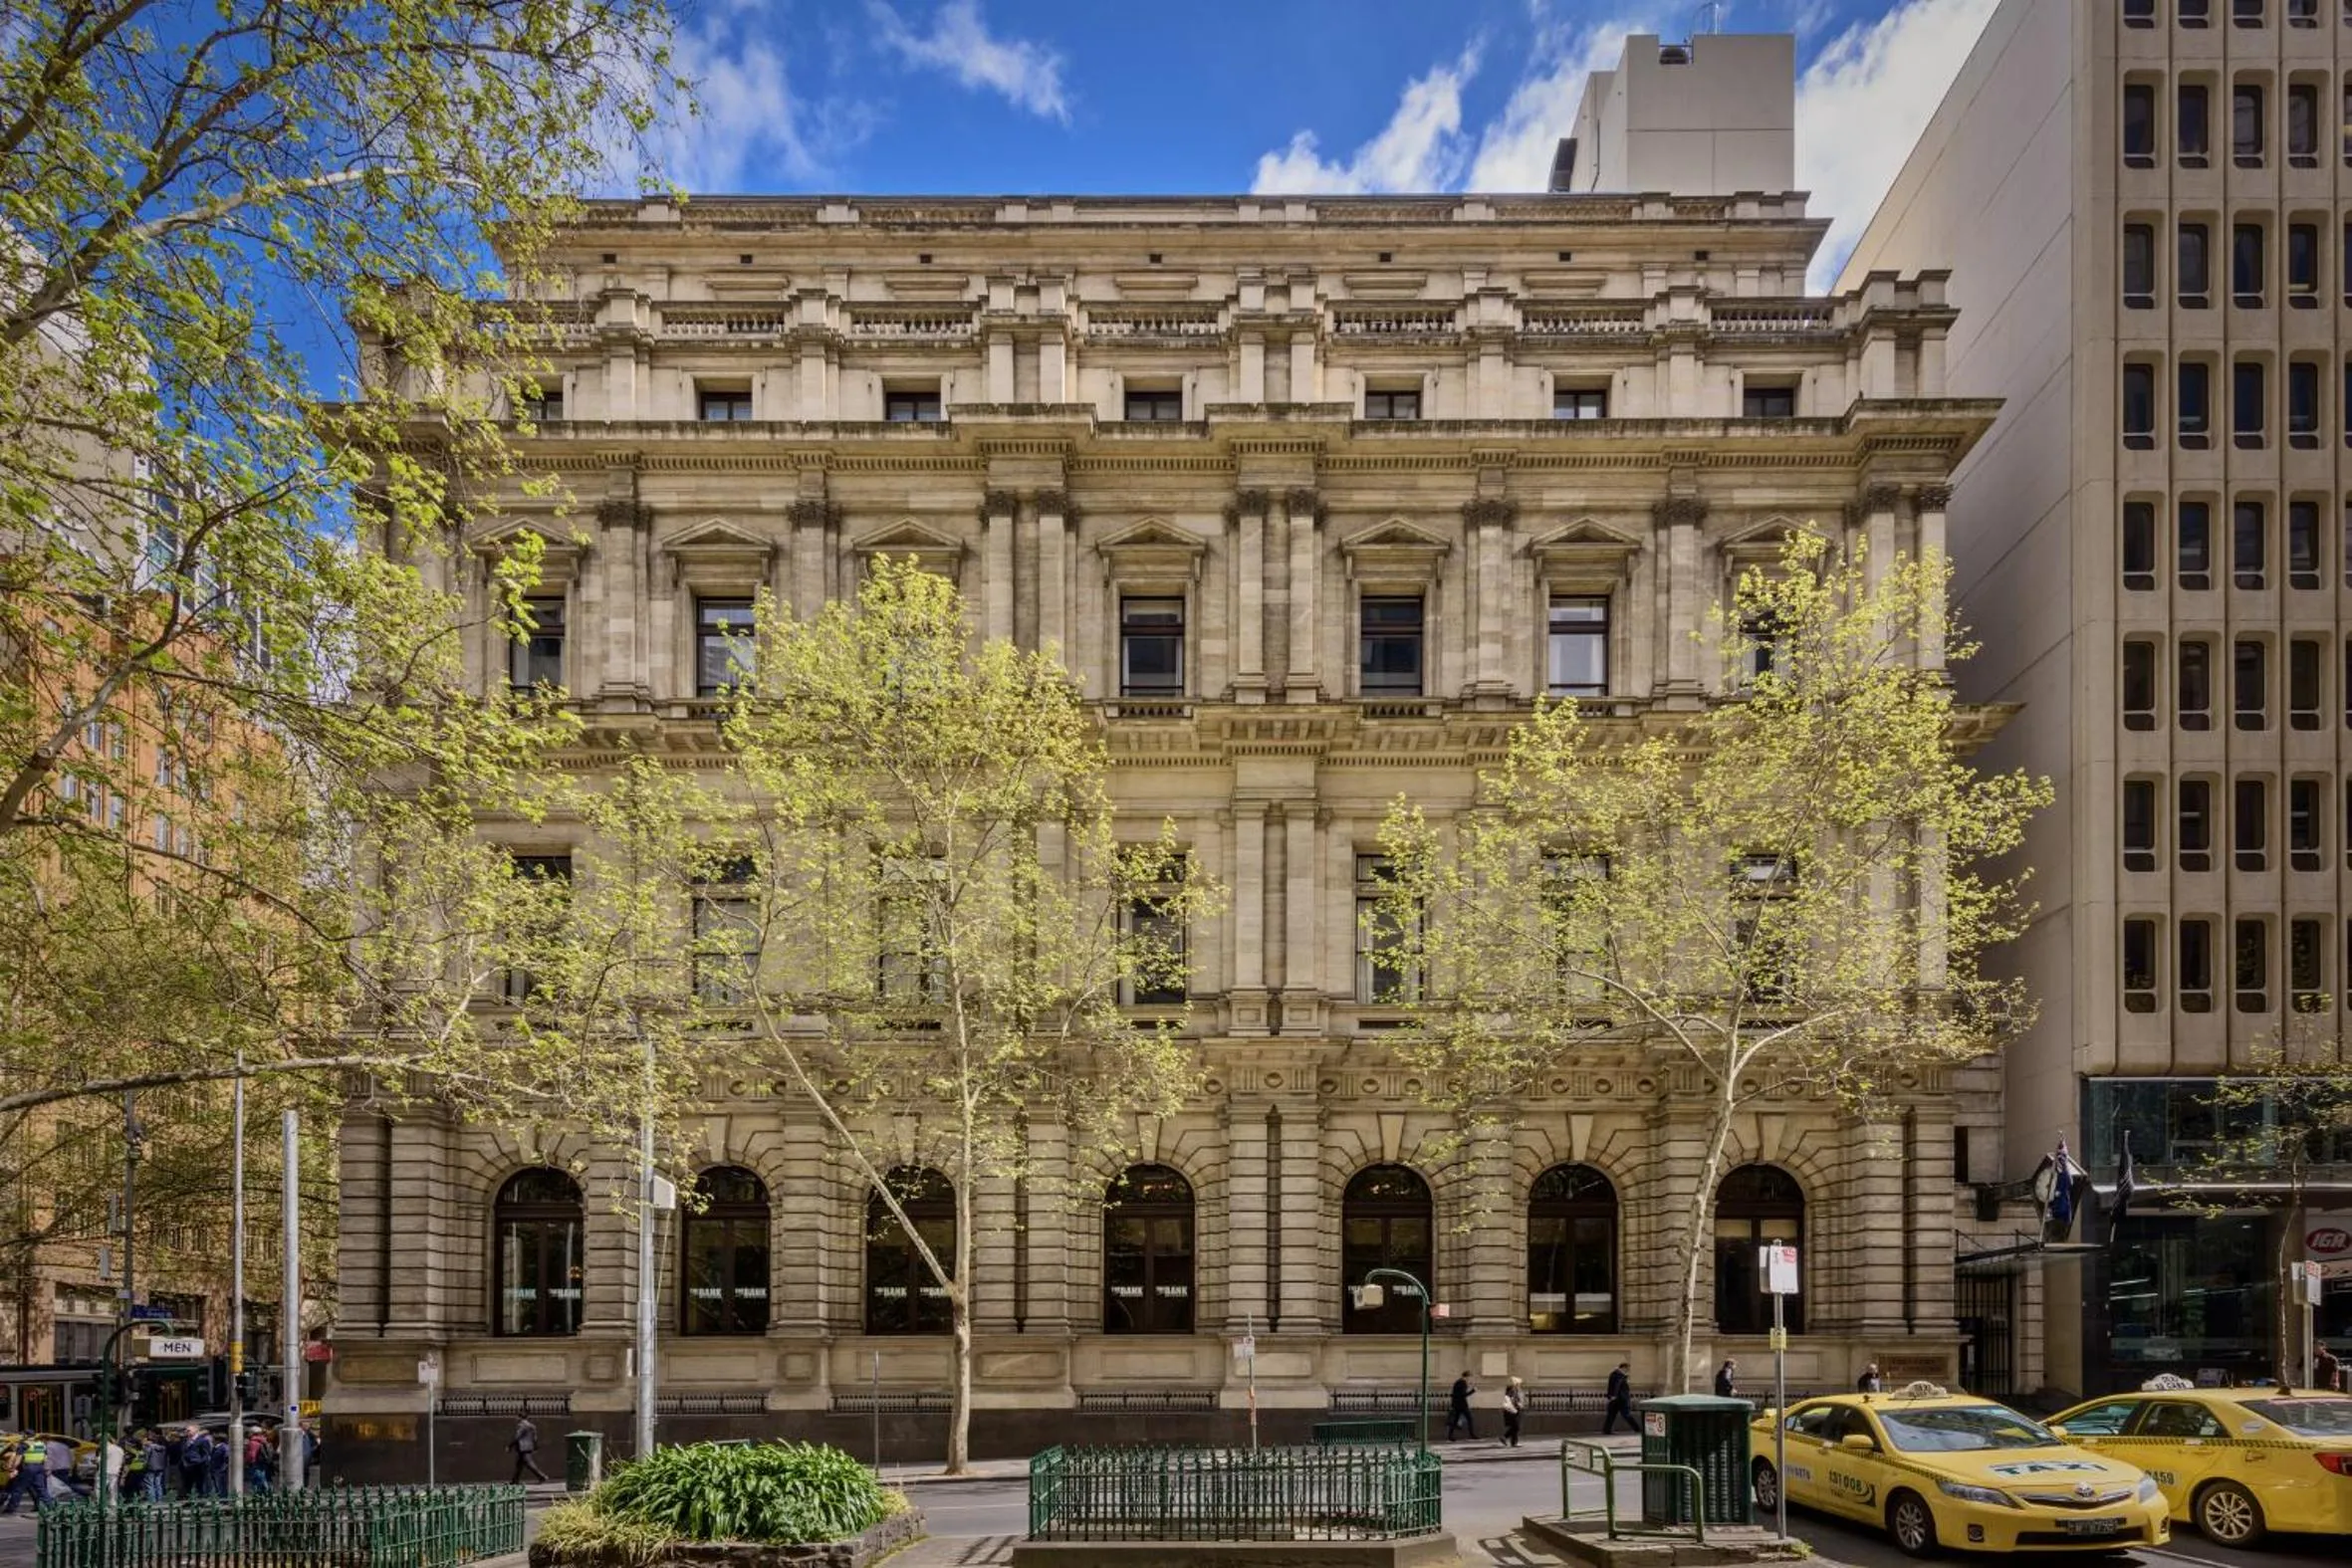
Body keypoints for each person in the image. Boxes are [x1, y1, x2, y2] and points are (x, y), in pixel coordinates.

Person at [3, 1436, 45, 1515]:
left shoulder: (20, 1449)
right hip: (31, 1469)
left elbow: (16, 1461)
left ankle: (10, 1508)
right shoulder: (38, 1445)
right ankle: (39, 1506)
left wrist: (12, 1470)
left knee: (15, 1490)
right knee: (33, 1489)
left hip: (22, 1471)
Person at [509, 1414, 549, 1484]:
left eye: (517, 1417)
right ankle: (515, 1481)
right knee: (519, 1465)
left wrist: (510, 1445)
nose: (516, 1419)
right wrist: (535, 1446)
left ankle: (542, 1476)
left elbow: (517, 1437)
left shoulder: (521, 1426)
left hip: (522, 1448)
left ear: (520, 1417)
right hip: (529, 1447)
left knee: (529, 1464)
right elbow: (535, 1438)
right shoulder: (532, 1426)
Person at [179, 1425, 211, 1498]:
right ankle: (189, 1500)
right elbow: (183, 1452)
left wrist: (199, 1462)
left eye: (188, 1430)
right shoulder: (185, 1440)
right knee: (187, 1485)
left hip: (198, 1467)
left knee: (199, 1485)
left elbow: (206, 1455)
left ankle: (201, 1501)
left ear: (195, 1430)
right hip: (186, 1467)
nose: (186, 1432)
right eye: (186, 1430)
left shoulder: (203, 1441)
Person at [1603, 1362, 1635, 1435]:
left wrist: (1611, 1396)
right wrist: (1614, 1395)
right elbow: (1616, 1386)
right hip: (1620, 1398)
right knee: (1626, 1414)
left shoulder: (1615, 1374)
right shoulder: (1619, 1375)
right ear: (1623, 1367)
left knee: (1611, 1415)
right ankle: (1637, 1428)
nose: (1628, 1370)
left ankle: (1607, 1430)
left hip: (1616, 1398)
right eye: (1627, 1369)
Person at [1446, 1372, 1477, 1442]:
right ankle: (1472, 1434)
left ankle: (1450, 1436)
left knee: (1455, 1420)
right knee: (1470, 1418)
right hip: (1462, 1405)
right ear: (1467, 1376)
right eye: (1470, 1377)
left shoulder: (1458, 1382)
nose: (1470, 1379)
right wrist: (1473, 1391)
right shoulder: (1462, 1383)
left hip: (1457, 1404)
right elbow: (1463, 1395)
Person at [1501, 1376, 1526, 1449]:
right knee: (1516, 1426)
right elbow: (1511, 1400)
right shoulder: (1512, 1390)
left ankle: (1513, 1442)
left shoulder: (1516, 1390)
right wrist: (1518, 1404)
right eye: (1518, 1383)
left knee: (1515, 1426)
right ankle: (1505, 1437)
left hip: (1515, 1410)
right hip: (1513, 1410)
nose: (1520, 1385)